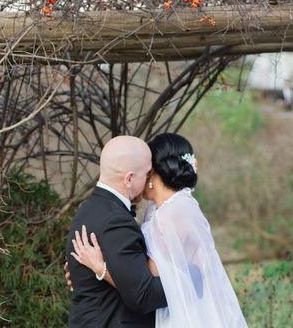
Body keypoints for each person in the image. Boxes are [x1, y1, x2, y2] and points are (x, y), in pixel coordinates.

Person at [71, 133, 247, 327]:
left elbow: (150, 289)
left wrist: (101, 269)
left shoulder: (175, 212)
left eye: (147, 171)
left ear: (154, 173)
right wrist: (85, 275)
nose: (145, 176)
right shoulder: (156, 211)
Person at [65, 135, 167, 327]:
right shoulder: (116, 221)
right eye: (147, 173)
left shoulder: (89, 209)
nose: (149, 179)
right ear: (129, 178)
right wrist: (189, 279)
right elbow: (143, 296)